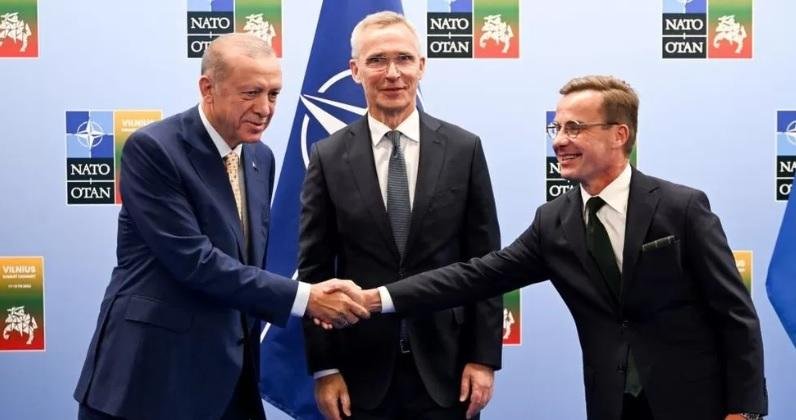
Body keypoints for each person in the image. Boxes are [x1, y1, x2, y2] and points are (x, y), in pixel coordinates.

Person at [357, 75, 768, 420]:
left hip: (699, 405)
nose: (560, 141)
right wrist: (379, 298)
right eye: (556, 128)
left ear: (619, 135)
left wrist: (744, 409)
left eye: (575, 128)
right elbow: (476, 276)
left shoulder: (682, 208)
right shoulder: (553, 222)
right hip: (611, 406)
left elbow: (735, 314)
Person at [73, 33, 368, 420]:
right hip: (150, 382)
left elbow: (246, 263)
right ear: (207, 89)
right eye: (251, 93)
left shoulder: (260, 158)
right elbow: (195, 263)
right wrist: (305, 298)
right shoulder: (154, 149)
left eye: (274, 94)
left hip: (228, 381)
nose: (265, 108)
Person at [300, 11, 503, 420]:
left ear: (422, 66)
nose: (392, 73)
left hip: (448, 373)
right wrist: (326, 367)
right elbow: (315, 272)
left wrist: (483, 358)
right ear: (355, 71)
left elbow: (486, 265)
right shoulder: (327, 157)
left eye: (404, 59)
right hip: (360, 377)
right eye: (376, 61)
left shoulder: (464, 150)